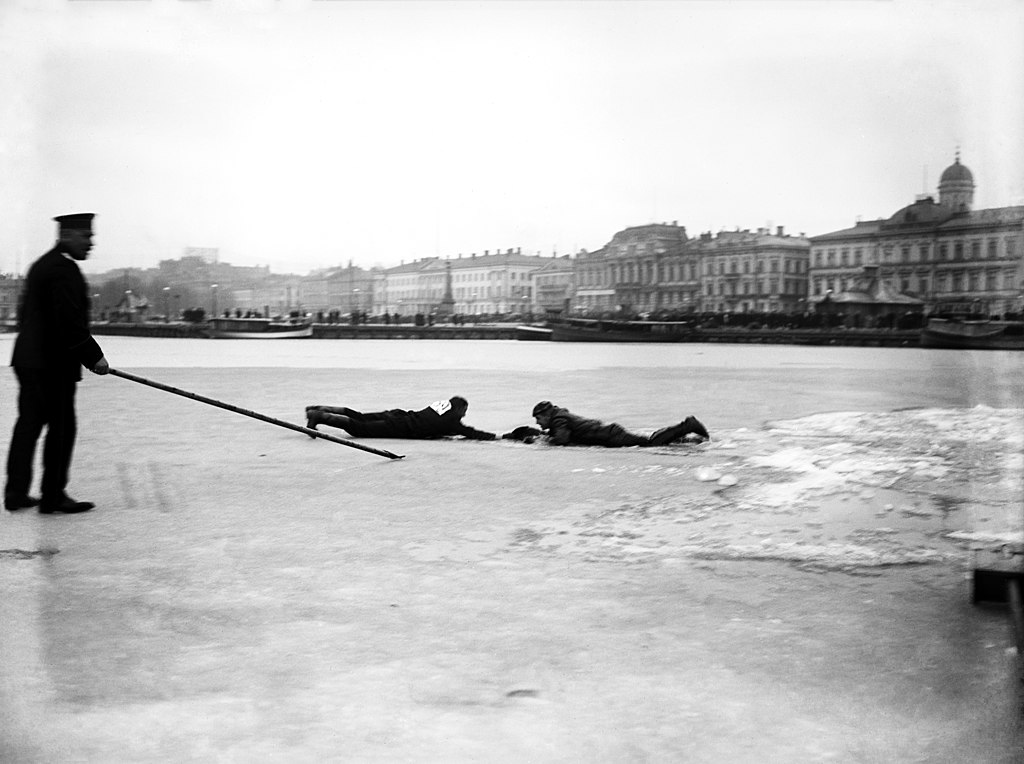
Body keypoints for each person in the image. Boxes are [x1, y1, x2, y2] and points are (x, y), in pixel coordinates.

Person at [5, 213, 109, 514]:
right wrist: (94, 356)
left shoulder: (41, 265)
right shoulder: (64, 270)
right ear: (68, 235)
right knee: (62, 428)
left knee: (28, 426)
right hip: (53, 364)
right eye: (86, 237)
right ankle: (52, 496)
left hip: (29, 359)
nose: (91, 243)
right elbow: (69, 322)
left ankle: (15, 493)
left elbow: (28, 316)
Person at [529, 400, 709, 447]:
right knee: (647, 440)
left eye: (539, 418)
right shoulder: (560, 418)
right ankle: (687, 440)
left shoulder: (559, 420)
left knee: (650, 443)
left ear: (546, 415)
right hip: (609, 433)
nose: (538, 423)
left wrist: (543, 441)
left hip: (610, 436)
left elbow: (561, 440)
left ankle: (688, 425)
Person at [305, 396, 496, 440]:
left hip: (400, 415)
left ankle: (320, 410)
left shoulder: (442, 407)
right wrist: (496, 437)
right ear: (458, 408)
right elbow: (468, 432)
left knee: (359, 417)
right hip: (399, 426)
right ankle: (321, 416)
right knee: (358, 428)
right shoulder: (451, 420)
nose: (465, 414)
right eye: (464, 410)